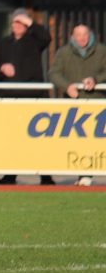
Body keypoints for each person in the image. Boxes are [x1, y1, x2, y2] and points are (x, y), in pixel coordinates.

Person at [0, 8, 54, 185]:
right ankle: (10, 174)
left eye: (21, 22)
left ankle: (45, 175)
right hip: (11, 99)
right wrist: (2, 68)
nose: (18, 26)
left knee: (39, 140)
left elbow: (46, 37)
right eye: (15, 22)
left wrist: (30, 22)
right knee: (12, 139)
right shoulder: (3, 43)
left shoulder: (34, 41)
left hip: (34, 98)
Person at [48, 23, 106, 186]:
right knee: (75, 141)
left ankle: (87, 174)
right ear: (72, 37)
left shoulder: (102, 51)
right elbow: (54, 73)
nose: (82, 38)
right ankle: (82, 173)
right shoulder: (63, 53)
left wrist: (95, 80)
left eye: (85, 34)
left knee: (96, 142)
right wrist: (67, 86)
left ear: (90, 35)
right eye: (78, 35)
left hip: (97, 104)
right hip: (73, 105)